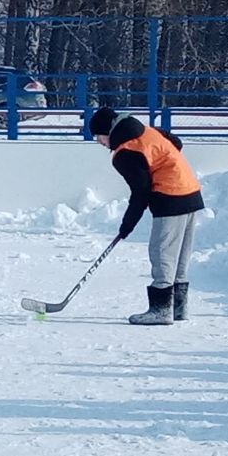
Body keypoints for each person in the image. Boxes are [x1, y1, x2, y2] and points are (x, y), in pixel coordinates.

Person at [89, 106, 204, 325]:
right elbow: (176, 142)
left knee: (162, 253)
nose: (99, 142)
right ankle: (178, 308)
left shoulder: (125, 152)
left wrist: (126, 226)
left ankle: (161, 310)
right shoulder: (146, 131)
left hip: (170, 196)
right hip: (190, 190)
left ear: (107, 131)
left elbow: (141, 191)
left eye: (98, 136)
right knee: (179, 255)